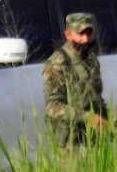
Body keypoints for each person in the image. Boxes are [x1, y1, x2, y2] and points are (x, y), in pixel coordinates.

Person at [43, 12, 107, 146]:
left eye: (89, 33)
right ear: (68, 35)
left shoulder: (91, 58)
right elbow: (53, 107)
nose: (85, 39)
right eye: (80, 34)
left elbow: (96, 95)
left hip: (94, 136)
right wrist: (86, 117)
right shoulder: (57, 64)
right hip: (71, 140)